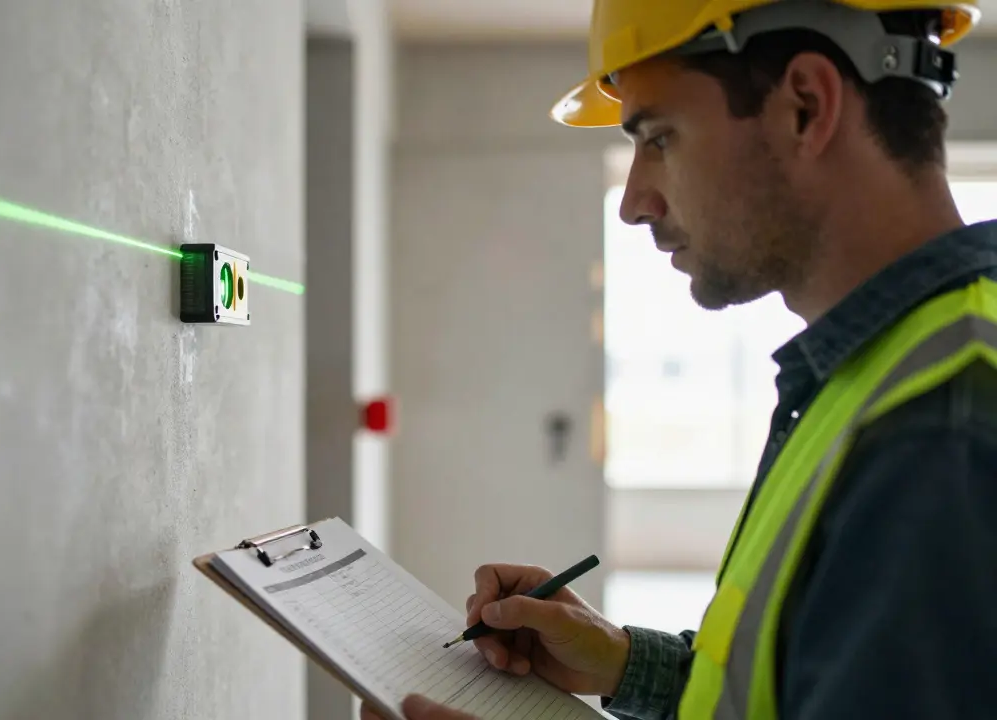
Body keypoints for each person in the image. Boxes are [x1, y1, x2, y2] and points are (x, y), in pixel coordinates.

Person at [363, 0, 997, 718]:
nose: (634, 201)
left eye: (659, 136)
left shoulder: (939, 429)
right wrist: (628, 665)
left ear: (804, 105)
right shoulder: (887, 369)